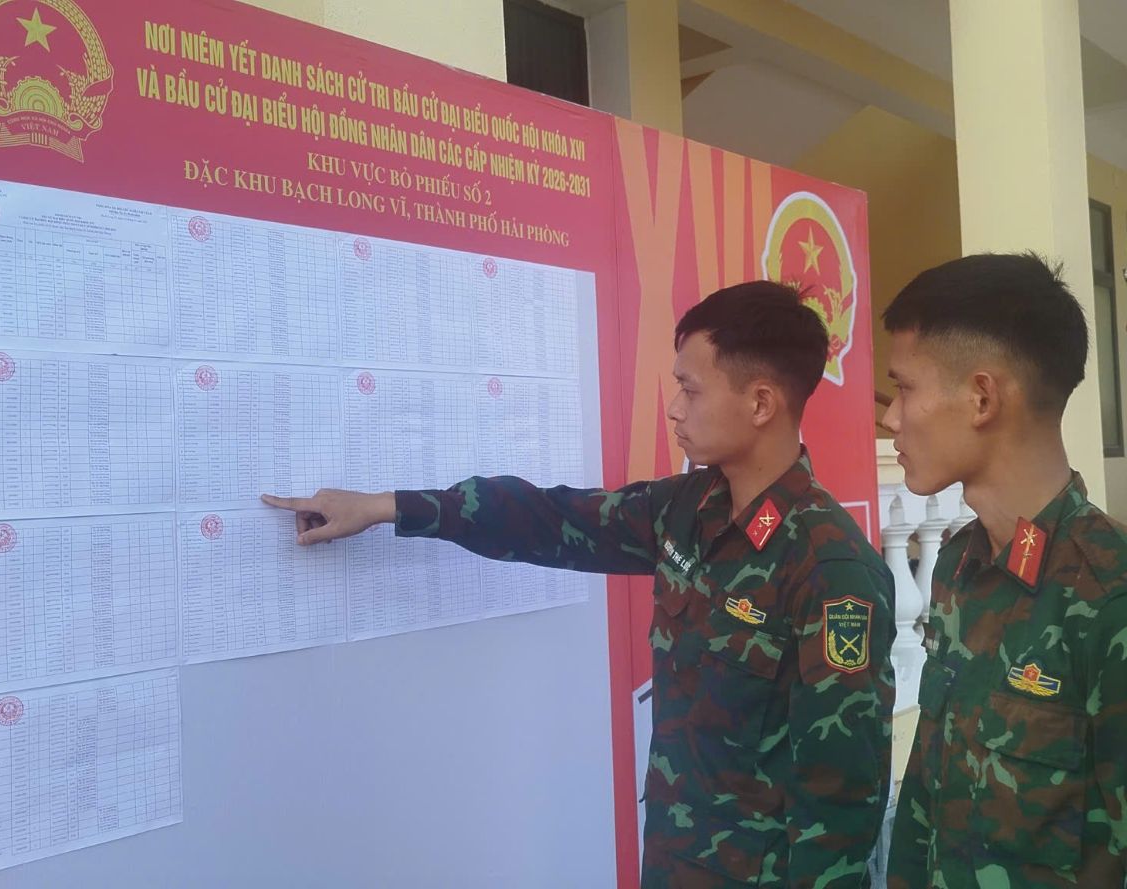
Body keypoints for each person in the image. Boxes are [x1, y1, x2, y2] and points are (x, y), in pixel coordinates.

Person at [263, 280, 895, 888]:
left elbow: (840, 802)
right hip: (674, 864)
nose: (674, 408)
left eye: (690, 389)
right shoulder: (687, 509)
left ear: (760, 403)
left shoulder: (831, 571)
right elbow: (551, 518)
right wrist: (387, 507)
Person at [882, 253, 1127, 888]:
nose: (890, 418)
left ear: (983, 397)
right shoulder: (959, 565)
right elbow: (926, 794)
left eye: (905, 388)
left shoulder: (1110, 596)